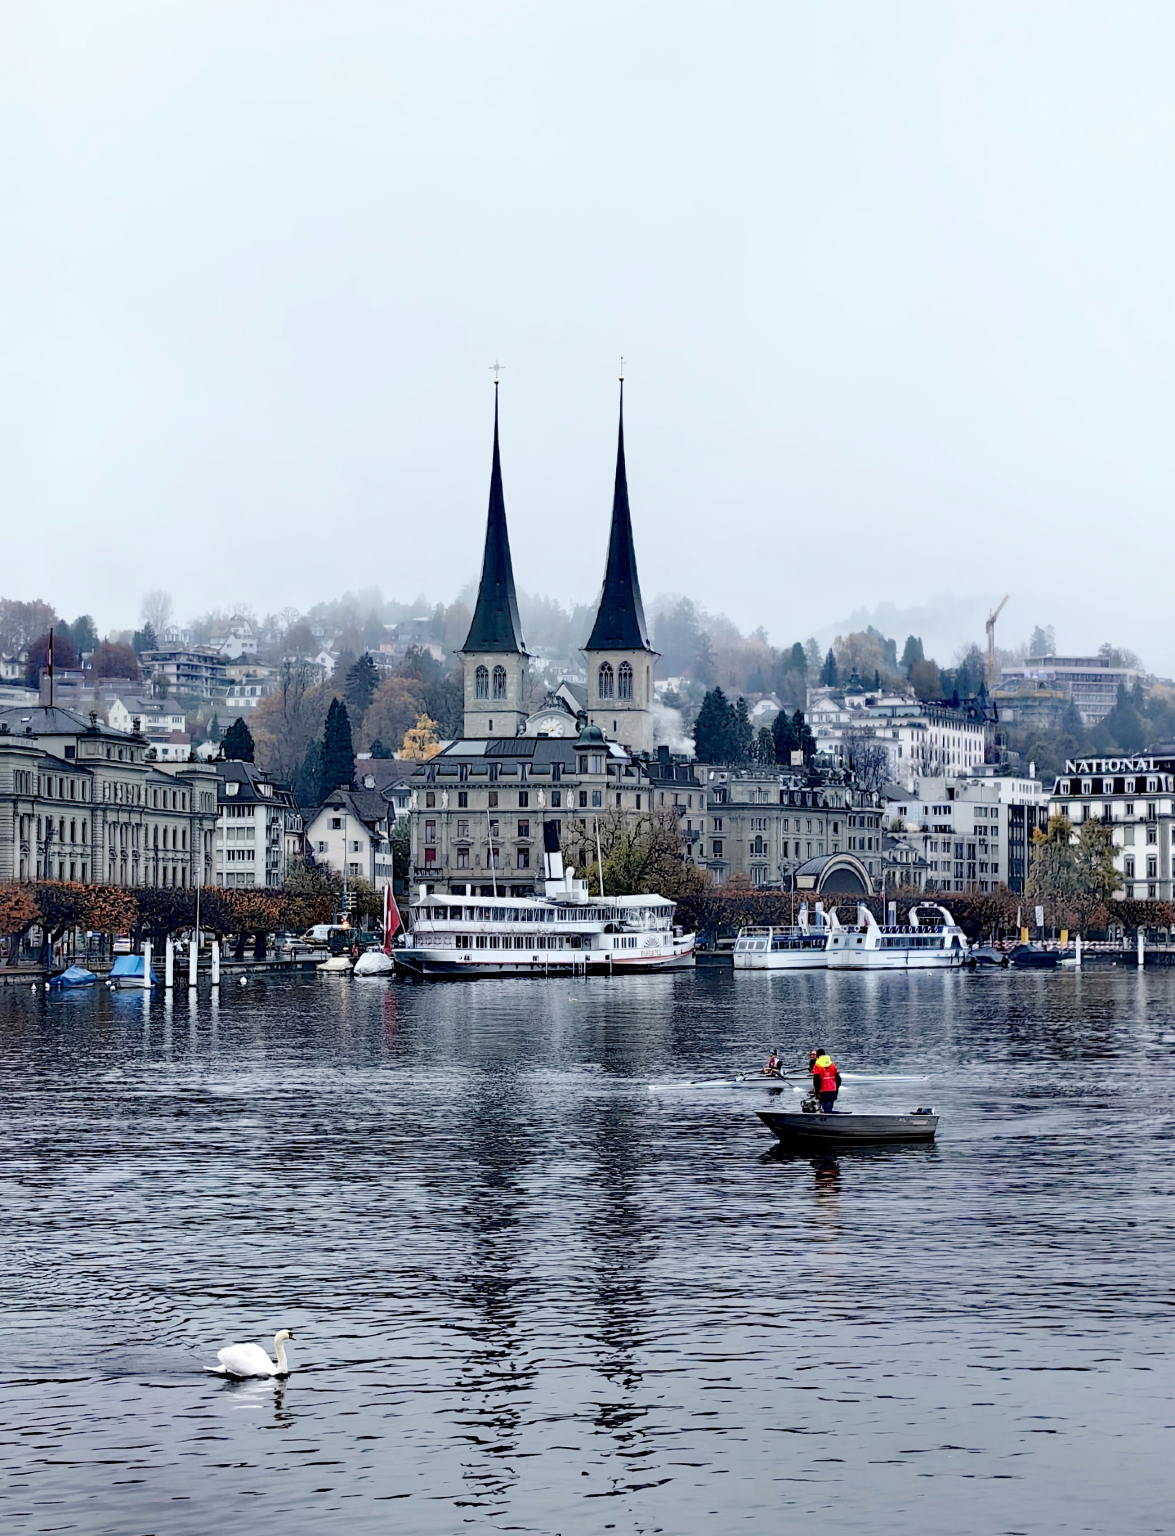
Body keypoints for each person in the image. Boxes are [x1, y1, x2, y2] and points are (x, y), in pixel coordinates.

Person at [811, 1048, 841, 1112]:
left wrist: (817, 1091)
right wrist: (837, 1089)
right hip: (833, 1088)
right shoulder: (832, 1065)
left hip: (823, 1089)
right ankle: (832, 1119)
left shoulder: (817, 1065)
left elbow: (817, 1079)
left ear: (817, 1056)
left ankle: (827, 1120)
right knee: (830, 1106)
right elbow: (838, 1079)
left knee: (826, 1109)